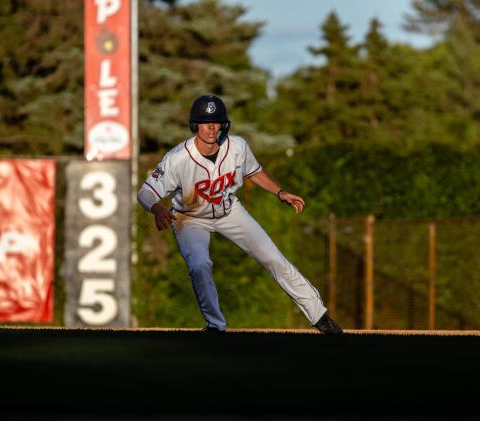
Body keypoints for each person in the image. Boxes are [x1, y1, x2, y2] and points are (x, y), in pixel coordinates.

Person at [137, 94, 343, 334]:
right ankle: (215, 326)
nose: (212, 127)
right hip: (189, 218)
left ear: (224, 124)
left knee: (272, 257)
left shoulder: (237, 146)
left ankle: (320, 317)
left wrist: (280, 192)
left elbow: (254, 171)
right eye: (206, 122)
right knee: (199, 264)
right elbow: (145, 193)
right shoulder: (177, 158)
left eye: (217, 121)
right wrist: (158, 207)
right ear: (195, 125)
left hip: (229, 210)